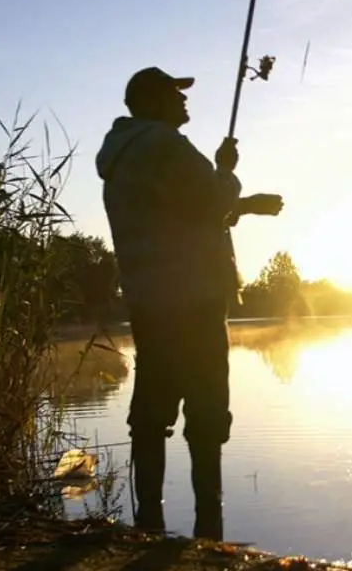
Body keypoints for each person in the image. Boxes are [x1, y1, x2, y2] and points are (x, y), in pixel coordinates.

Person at [95, 66, 283, 536]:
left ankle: (149, 519)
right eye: (175, 94)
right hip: (194, 298)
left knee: (153, 407)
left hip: (149, 298)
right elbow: (210, 198)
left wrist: (242, 206)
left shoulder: (123, 156)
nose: (184, 102)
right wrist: (226, 171)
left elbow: (181, 214)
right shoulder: (164, 144)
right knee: (206, 410)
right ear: (153, 100)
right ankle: (208, 522)